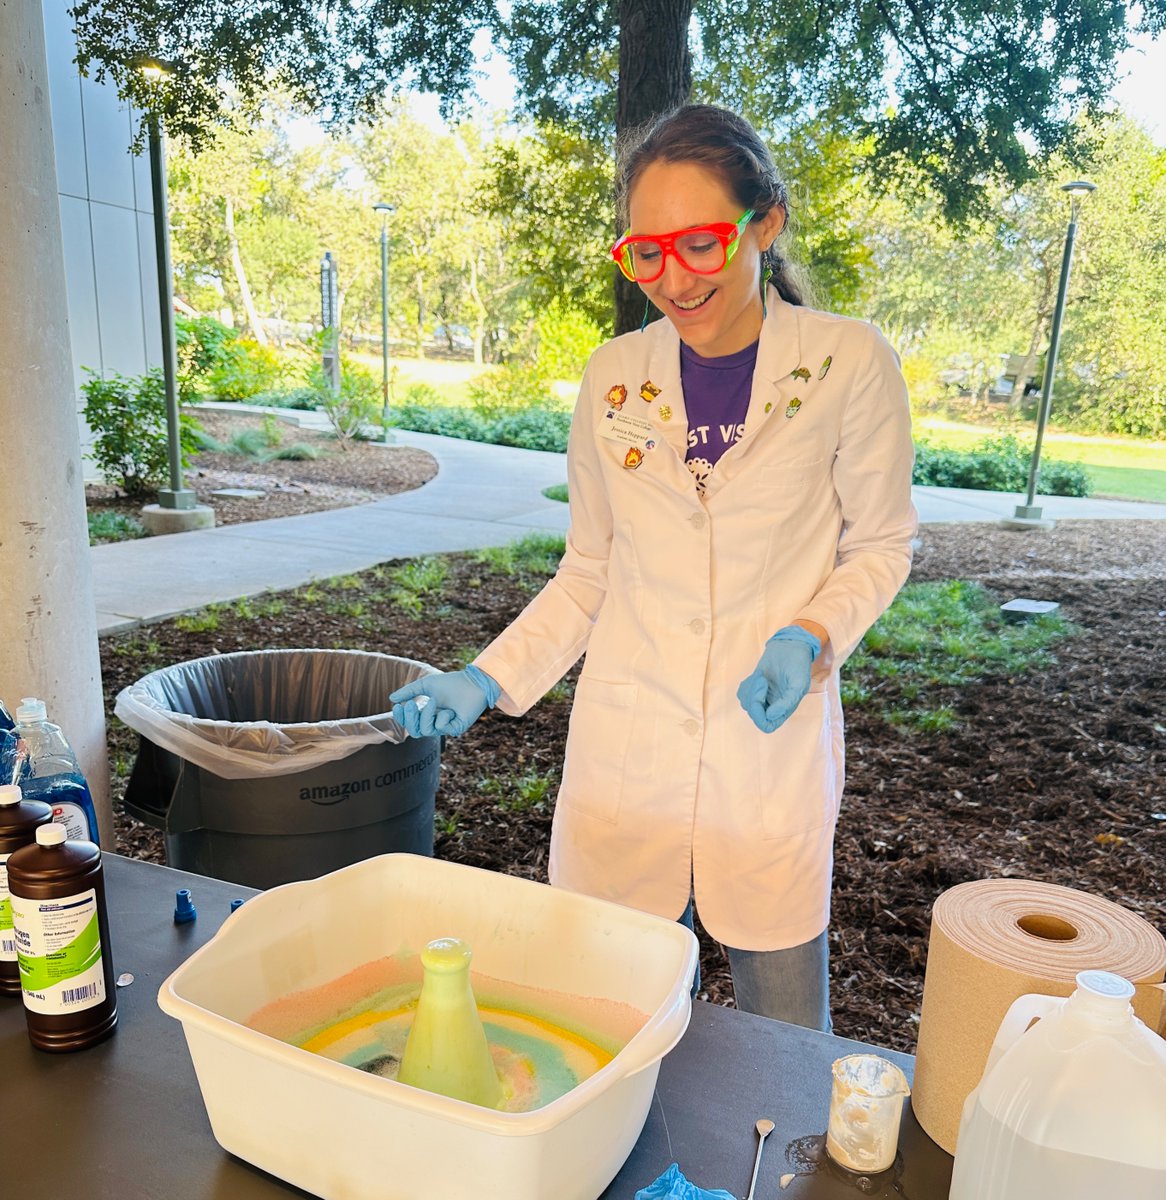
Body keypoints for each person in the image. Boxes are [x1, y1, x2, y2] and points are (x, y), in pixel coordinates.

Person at [391, 104, 917, 1031]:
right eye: (645, 253)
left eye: (700, 245)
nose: (672, 279)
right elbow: (589, 569)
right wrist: (486, 676)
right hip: (625, 761)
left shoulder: (847, 363)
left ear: (766, 223)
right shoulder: (614, 375)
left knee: (785, 1040)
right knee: (607, 1024)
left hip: (768, 754)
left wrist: (810, 635)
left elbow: (879, 544)